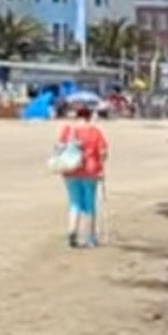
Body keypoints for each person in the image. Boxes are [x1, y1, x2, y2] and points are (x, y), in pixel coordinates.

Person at [55, 103, 109, 249]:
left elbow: (59, 148)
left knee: (74, 203)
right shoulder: (95, 131)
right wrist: (101, 166)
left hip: (71, 169)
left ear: (77, 116)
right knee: (90, 204)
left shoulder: (68, 130)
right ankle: (90, 238)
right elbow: (103, 152)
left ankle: (72, 232)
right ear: (89, 116)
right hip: (90, 170)